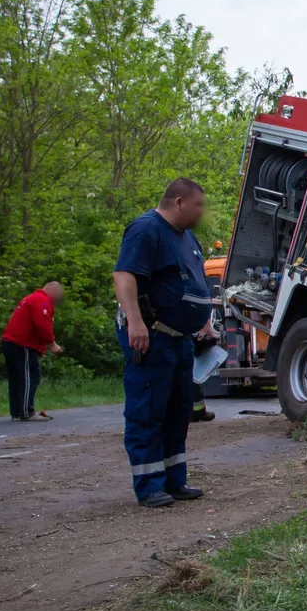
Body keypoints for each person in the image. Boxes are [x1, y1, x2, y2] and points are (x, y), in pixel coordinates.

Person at [112, 178, 216, 508]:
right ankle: (148, 485)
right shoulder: (147, 230)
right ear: (179, 202)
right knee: (148, 411)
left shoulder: (188, 238)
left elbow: (197, 283)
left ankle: (174, 480)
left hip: (180, 340)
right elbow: (124, 276)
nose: (202, 212)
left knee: (177, 411)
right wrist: (137, 323)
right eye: (198, 205)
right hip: (152, 336)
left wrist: (204, 323)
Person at [0, 282, 65, 422]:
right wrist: (52, 344)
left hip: (10, 342)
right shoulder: (42, 301)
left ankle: (17, 412)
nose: (57, 301)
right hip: (22, 344)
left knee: (17, 378)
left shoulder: (31, 298)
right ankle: (27, 412)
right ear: (53, 292)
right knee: (30, 376)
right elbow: (42, 324)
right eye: (58, 296)